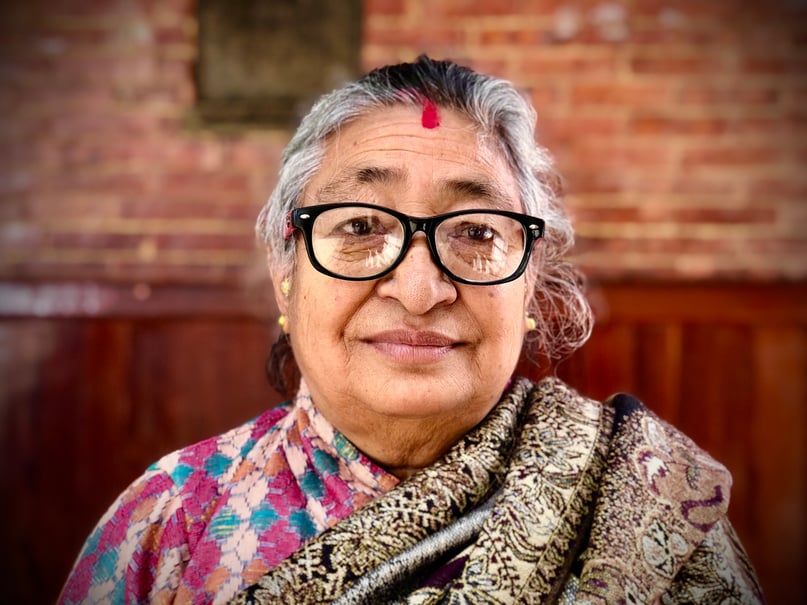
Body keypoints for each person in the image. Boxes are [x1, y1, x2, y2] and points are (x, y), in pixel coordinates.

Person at [59, 56, 763, 604]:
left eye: (475, 232)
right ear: (285, 266)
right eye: (362, 226)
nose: (421, 290)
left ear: (530, 275)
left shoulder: (642, 505)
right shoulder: (173, 518)